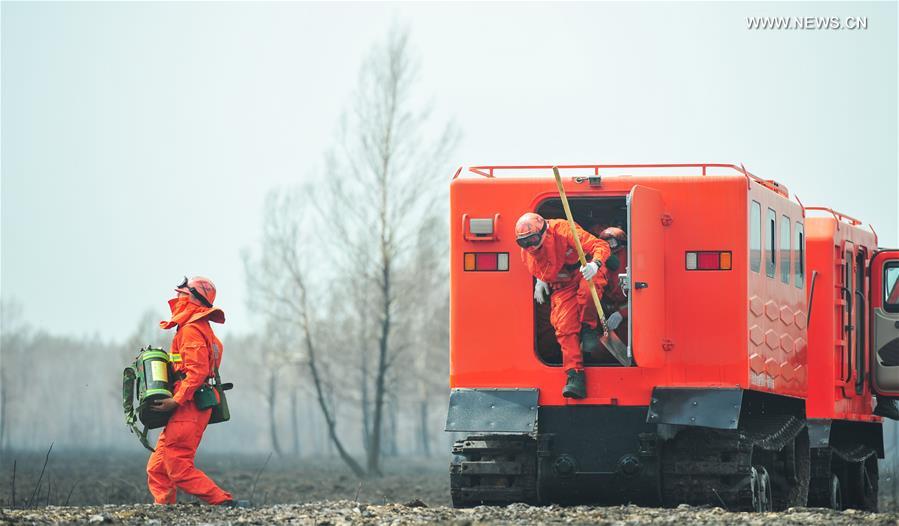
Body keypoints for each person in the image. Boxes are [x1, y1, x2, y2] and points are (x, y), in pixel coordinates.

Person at [146, 276, 242, 506]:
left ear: (193, 298)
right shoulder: (195, 327)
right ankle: (163, 509)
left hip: (190, 404)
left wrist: (175, 401)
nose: (177, 296)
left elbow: (197, 372)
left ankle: (223, 502)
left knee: (177, 465)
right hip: (190, 401)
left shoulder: (190, 330)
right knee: (157, 467)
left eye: (182, 293)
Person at [516, 212, 611, 399]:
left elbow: (601, 245)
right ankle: (574, 375)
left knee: (587, 291)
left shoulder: (564, 229)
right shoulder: (528, 253)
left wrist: (595, 264)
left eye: (533, 239)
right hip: (562, 284)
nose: (531, 245)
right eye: (524, 242)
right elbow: (541, 268)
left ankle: (588, 329)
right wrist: (540, 280)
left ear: (544, 231)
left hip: (587, 272)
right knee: (563, 326)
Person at [597, 227, 628, 343]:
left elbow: (644, 293)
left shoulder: (631, 256)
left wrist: (622, 313)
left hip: (630, 312)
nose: (610, 244)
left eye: (612, 241)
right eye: (606, 242)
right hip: (607, 310)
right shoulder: (599, 259)